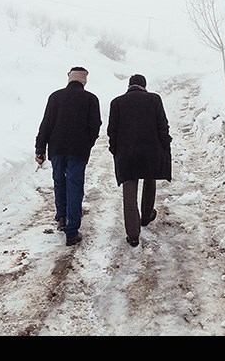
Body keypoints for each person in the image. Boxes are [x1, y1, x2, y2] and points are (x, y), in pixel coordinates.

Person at [35, 66, 102, 246]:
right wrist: (88, 143)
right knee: (75, 186)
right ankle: (72, 231)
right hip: (78, 151)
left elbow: (46, 124)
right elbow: (95, 126)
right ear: (84, 80)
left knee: (59, 182)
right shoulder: (91, 99)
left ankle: (62, 217)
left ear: (69, 78)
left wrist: (40, 148)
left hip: (56, 149)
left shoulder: (55, 97)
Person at [106, 74, 172, 247]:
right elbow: (162, 125)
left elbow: (112, 131)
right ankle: (146, 215)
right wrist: (166, 145)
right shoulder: (154, 99)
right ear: (144, 85)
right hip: (151, 151)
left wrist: (116, 150)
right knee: (150, 180)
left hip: (126, 154)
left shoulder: (117, 102)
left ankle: (133, 235)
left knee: (129, 192)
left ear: (129, 86)